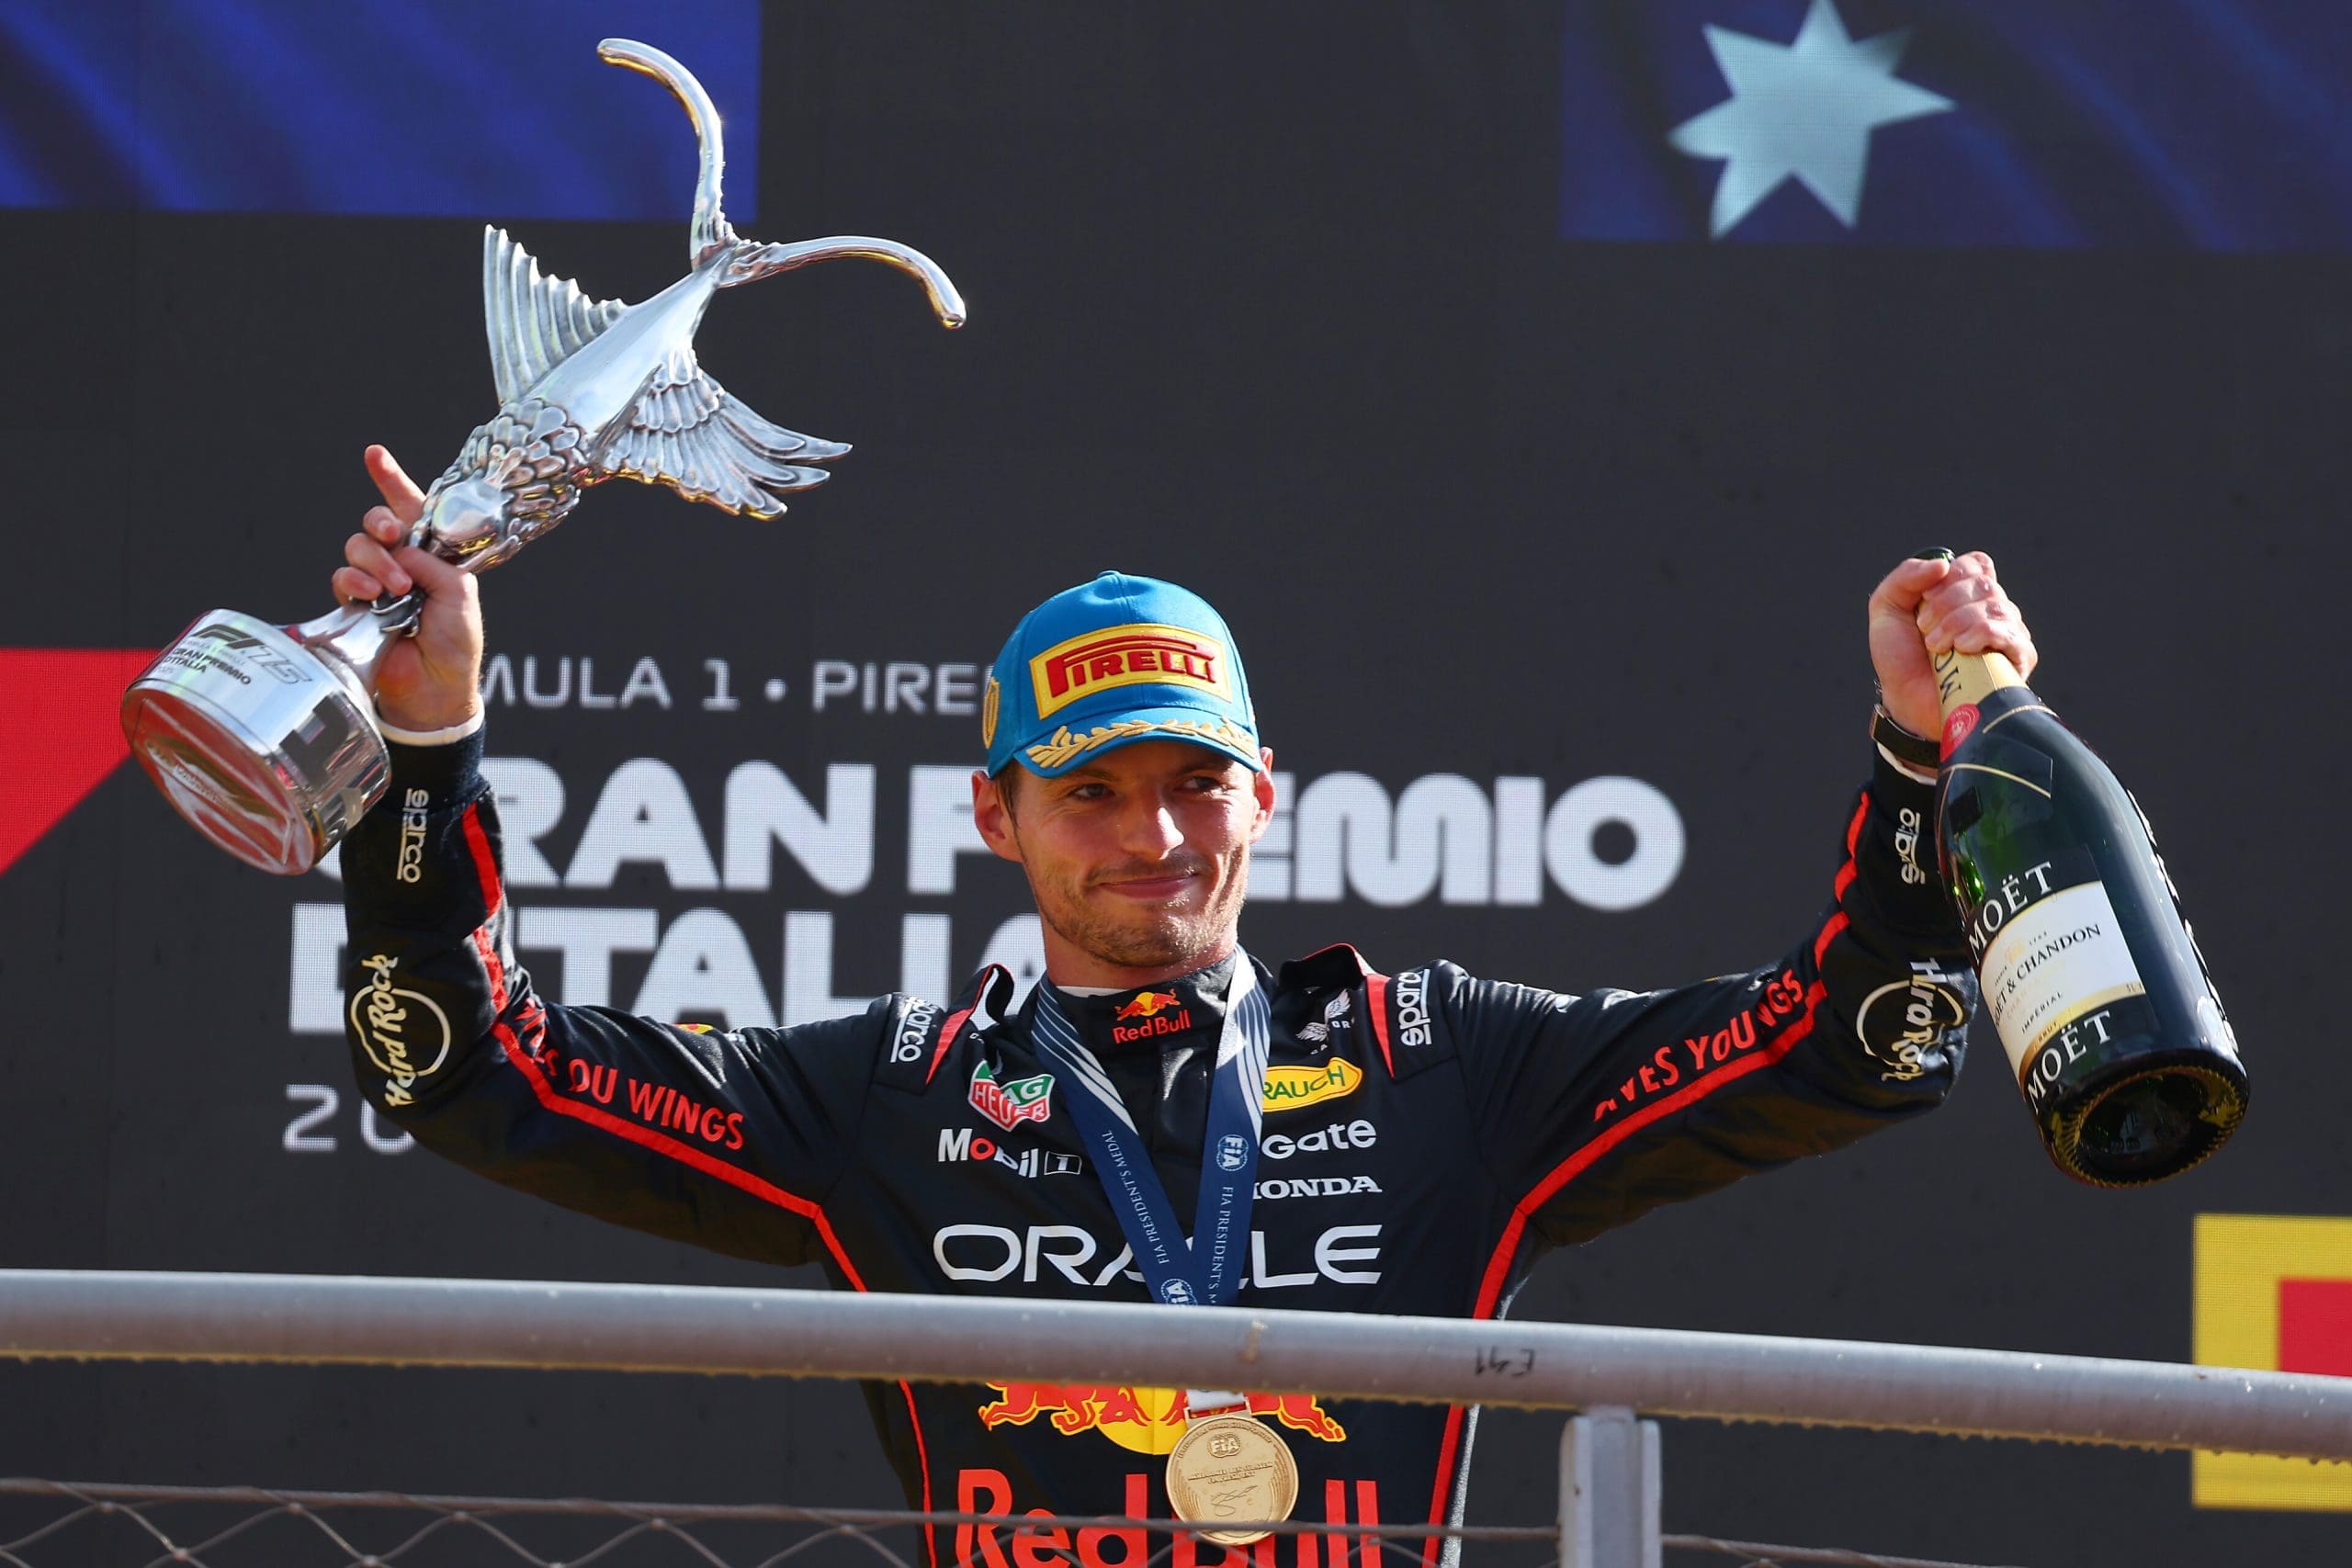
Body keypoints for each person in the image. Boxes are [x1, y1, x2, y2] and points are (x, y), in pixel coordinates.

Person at [332, 444, 2035, 1568]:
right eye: (1092, 792)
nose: (1154, 837)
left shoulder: (1445, 1062)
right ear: (995, 817)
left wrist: (1914, 756)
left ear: (1267, 793)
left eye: (1195, 784)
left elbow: (1847, 1046)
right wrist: (428, 747)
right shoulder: (891, 1095)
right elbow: (480, 1070)